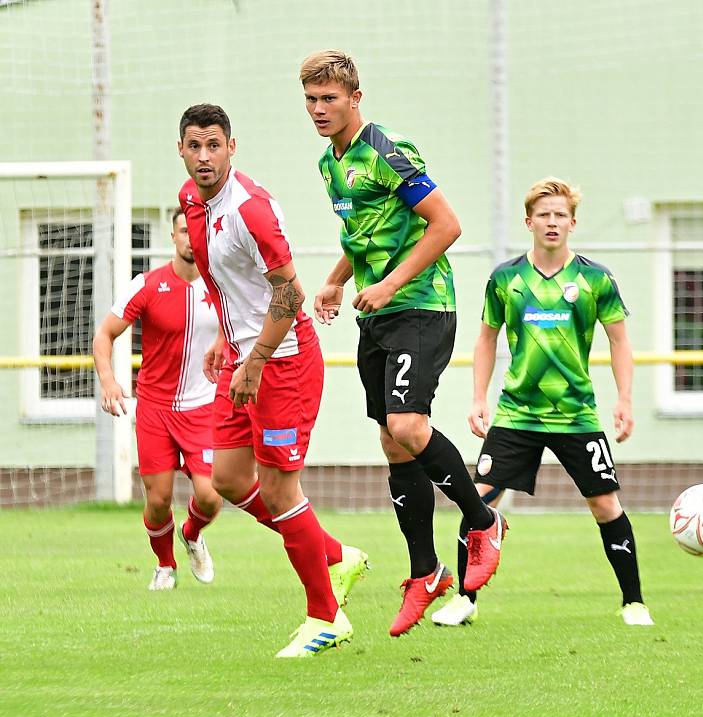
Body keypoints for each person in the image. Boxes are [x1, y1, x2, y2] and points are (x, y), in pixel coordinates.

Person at [300, 49, 508, 637]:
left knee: (410, 426)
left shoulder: (387, 150)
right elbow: (365, 231)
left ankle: (482, 521)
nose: (319, 110)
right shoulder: (329, 163)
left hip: (421, 305)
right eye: (311, 100)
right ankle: (427, 571)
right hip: (378, 315)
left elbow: (447, 224)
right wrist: (337, 282)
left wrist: (391, 283)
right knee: (394, 442)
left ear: (355, 98)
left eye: (329, 99)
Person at [177, 103, 366, 658]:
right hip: (243, 354)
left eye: (215, 145)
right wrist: (225, 339)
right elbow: (228, 282)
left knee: (282, 488)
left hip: (281, 361)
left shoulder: (250, 209)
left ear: (233, 148)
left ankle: (326, 616)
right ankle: (335, 555)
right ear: (181, 150)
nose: (205, 156)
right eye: (195, 145)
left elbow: (288, 294)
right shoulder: (192, 201)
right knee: (230, 481)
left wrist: (254, 360)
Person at [431, 177, 654, 627]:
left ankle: (634, 602)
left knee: (605, 504)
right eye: (544, 215)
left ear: (573, 222)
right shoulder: (506, 279)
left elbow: (619, 341)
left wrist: (625, 400)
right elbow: (486, 340)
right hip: (518, 413)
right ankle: (465, 599)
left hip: (576, 414)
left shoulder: (595, 279)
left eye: (560, 215)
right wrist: (478, 397)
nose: (552, 222)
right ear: (528, 221)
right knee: (480, 500)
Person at [93, 208, 223, 591]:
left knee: (211, 496)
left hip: (203, 408)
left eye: (194, 231)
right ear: (173, 236)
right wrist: (109, 381)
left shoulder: (222, 287)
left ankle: (193, 533)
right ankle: (165, 565)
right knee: (158, 498)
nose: (189, 238)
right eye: (183, 231)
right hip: (155, 409)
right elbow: (104, 335)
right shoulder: (147, 285)